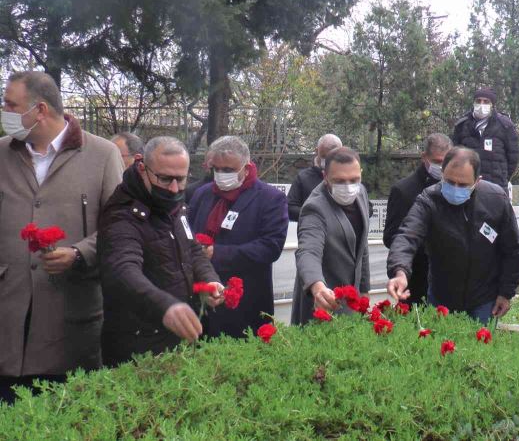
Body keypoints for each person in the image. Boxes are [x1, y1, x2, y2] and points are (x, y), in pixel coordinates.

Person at [0, 71, 124, 404]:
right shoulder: (2, 154)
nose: (4, 111)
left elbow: (118, 228)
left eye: (10, 104)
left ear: (39, 110)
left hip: (69, 318)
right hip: (8, 318)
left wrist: (79, 253)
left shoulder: (101, 155)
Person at [98, 136, 224, 367]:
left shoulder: (174, 205)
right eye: (165, 179)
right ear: (143, 169)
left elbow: (192, 249)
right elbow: (122, 270)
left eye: (181, 179)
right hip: (138, 345)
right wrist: (165, 306)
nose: (174, 188)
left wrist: (209, 281)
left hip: (176, 337)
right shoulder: (122, 213)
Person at [386, 147, 519, 324]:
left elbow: (513, 248)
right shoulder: (429, 200)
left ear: (477, 181)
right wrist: (400, 271)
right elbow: (407, 236)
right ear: (442, 175)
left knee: (481, 349)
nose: (455, 188)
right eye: (450, 182)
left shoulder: (496, 199)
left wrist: (506, 292)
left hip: (484, 298)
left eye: (463, 185)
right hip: (441, 296)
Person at [188, 136, 288, 337]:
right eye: (216, 169)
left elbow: (271, 247)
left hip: (246, 303)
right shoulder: (201, 194)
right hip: (201, 300)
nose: (221, 174)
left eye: (228, 170)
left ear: (247, 167)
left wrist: (217, 253)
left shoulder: (270, 199)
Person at [290, 146, 371, 325]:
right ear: (325, 177)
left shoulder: (361, 193)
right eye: (339, 181)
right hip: (322, 306)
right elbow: (308, 252)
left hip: (352, 303)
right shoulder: (314, 208)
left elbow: (362, 246)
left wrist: (364, 290)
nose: (348, 187)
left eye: (354, 179)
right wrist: (318, 287)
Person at [383, 133, 452, 304]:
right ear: (424, 158)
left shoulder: (453, 188)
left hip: (447, 280)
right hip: (415, 279)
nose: (442, 167)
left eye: (446, 162)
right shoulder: (403, 190)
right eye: (437, 161)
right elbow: (391, 237)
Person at [452, 87, 519, 189]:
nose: (481, 104)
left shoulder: (505, 125)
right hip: (468, 185)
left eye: (486, 101)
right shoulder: (462, 125)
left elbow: (513, 157)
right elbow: (454, 155)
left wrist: (503, 178)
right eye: (478, 101)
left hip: (496, 186)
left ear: (492, 105)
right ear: (474, 103)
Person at [287, 134, 342, 221]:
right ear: (317, 151)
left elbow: (366, 207)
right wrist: (314, 214)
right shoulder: (303, 177)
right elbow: (290, 208)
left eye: (333, 157)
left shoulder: (348, 176)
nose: (328, 160)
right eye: (324, 156)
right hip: (311, 230)